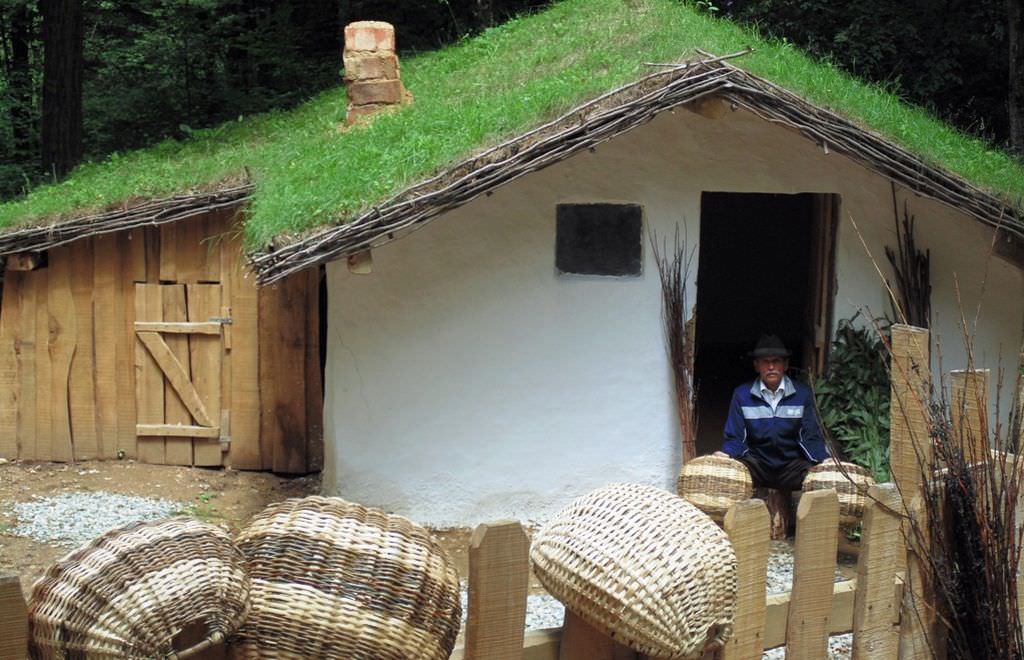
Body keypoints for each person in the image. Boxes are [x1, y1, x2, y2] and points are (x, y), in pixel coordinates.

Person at [715, 334, 829, 491]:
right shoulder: (742, 395)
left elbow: (811, 436)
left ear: (785, 364)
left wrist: (824, 459)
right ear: (756, 366)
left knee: (818, 477)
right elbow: (736, 437)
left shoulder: (803, 394)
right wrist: (725, 454)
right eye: (765, 362)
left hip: (792, 468)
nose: (771, 367)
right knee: (731, 476)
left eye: (776, 361)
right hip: (756, 465)